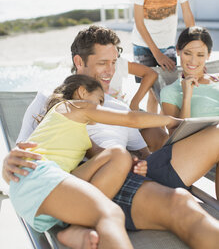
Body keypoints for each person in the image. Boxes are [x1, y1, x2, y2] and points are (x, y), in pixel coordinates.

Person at [3, 25, 219, 249]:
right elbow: (23, 158)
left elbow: (143, 150)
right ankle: (82, 224)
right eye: (103, 63)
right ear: (79, 62)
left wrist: (140, 158)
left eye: (114, 62)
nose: (111, 71)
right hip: (97, 184)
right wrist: (7, 164)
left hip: (135, 169)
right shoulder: (52, 100)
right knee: (181, 205)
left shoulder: (113, 104)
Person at [10, 73, 148, 249]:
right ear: (82, 92)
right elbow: (131, 119)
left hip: (51, 190)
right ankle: (80, 226)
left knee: (119, 154)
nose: (100, 107)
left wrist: (131, 161)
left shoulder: (80, 133)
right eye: (99, 101)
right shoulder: (68, 107)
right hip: (38, 177)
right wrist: (169, 120)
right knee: (111, 214)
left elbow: (105, 154)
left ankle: (76, 229)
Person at [130, 0, 195, 113]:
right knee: (151, 90)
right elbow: (139, 22)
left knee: (168, 91)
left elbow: (188, 15)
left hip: (167, 45)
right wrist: (156, 54)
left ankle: (169, 130)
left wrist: (193, 44)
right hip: (143, 45)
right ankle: (153, 131)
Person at [161, 26, 219, 119]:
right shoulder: (170, 92)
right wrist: (186, 97)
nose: (193, 61)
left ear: (208, 55)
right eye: (187, 53)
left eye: (200, 55)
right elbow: (177, 133)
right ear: (178, 50)